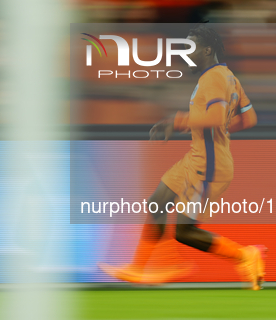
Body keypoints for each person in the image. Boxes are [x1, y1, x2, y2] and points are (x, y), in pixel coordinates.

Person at [99, 24, 265, 290]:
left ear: (207, 50)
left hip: (208, 167)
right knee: (157, 203)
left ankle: (244, 255)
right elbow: (250, 119)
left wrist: (178, 121)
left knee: (184, 231)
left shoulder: (213, 78)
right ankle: (140, 267)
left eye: (191, 48)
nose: (186, 54)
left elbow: (217, 117)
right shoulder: (229, 77)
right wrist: (216, 130)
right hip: (197, 158)